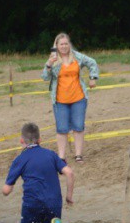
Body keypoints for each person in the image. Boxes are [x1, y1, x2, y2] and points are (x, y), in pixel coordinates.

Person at [2, 122, 76, 223]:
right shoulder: (51, 154)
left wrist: (5, 190)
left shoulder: (20, 159)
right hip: (53, 201)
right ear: (40, 140)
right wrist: (69, 196)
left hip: (32, 203)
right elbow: (69, 172)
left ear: (22, 141)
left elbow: (7, 190)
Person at [41, 32, 99, 162]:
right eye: (61, 44)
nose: (64, 46)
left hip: (79, 98)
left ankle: (78, 155)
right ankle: (61, 157)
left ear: (69, 44)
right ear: (56, 46)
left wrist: (93, 77)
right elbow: (45, 77)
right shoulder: (53, 59)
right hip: (60, 100)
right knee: (62, 129)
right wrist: (49, 64)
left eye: (66, 43)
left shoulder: (77, 57)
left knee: (78, 127)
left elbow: (92, 63)